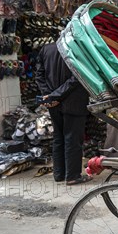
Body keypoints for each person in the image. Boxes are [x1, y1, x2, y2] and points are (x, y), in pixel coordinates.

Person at [35, 42, 92, 185]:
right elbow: (77, 77)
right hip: (73, 101)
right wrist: (56, 95)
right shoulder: (77, 48)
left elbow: (39, 75)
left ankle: (59, 174)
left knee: (59, 137)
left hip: (53, 102)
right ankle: (72, 176)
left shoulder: (47, 49)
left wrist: (49, 96)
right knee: (72, 138)